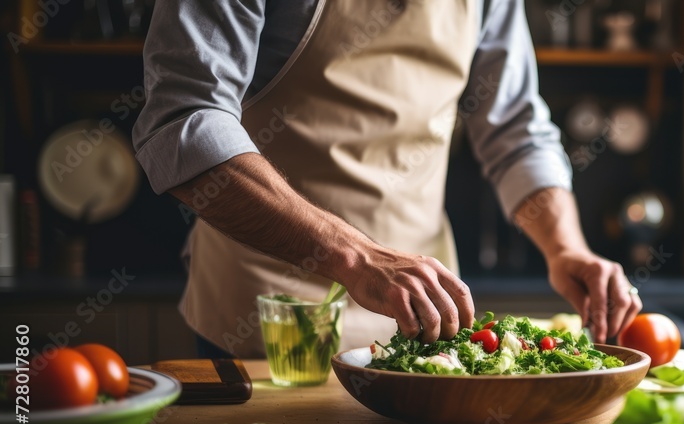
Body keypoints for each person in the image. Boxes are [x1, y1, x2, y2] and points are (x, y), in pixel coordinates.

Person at [133, 0, 642, 358]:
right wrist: (358, 258)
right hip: (269, 325)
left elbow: (515, 130)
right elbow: (184, 121)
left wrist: (565, 248)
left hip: (427, 322)